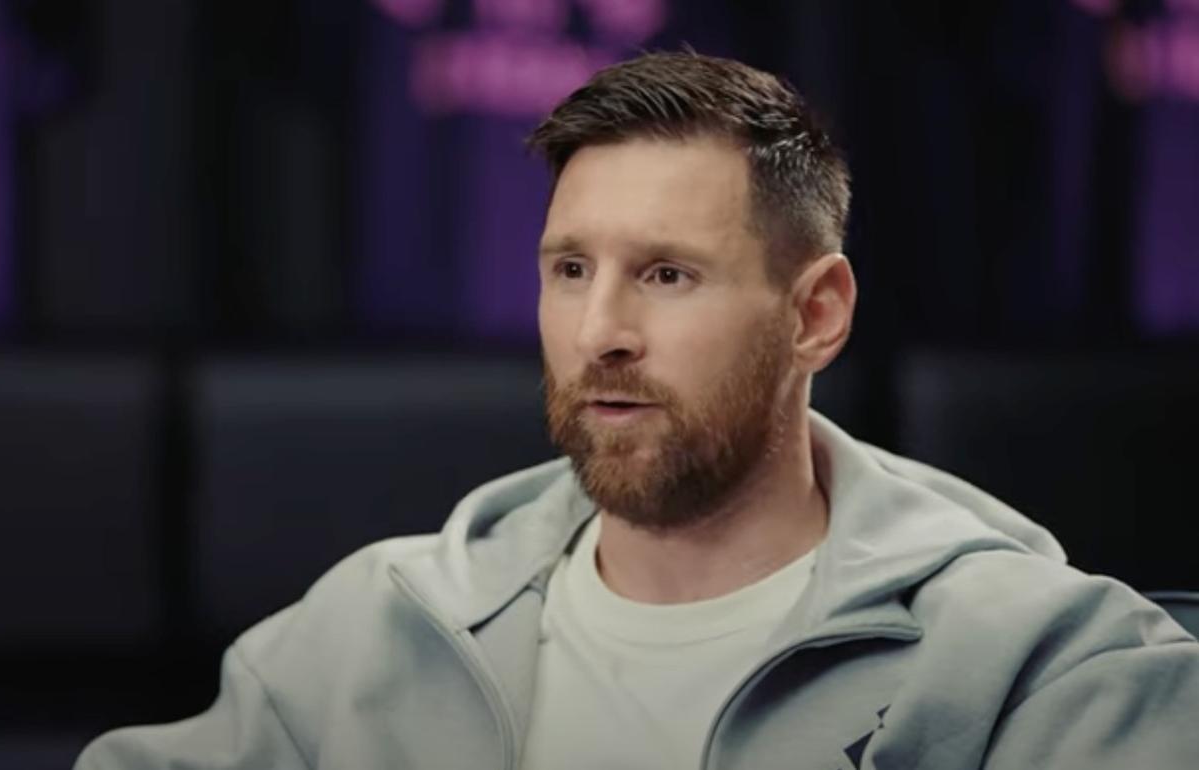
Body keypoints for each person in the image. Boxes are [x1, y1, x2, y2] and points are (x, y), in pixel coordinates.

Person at [77, 51, 1199, 770]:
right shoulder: (381, 623)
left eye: (666, 273)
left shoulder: (1034, 662)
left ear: (816, 314)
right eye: (570, 270)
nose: (599, 331)